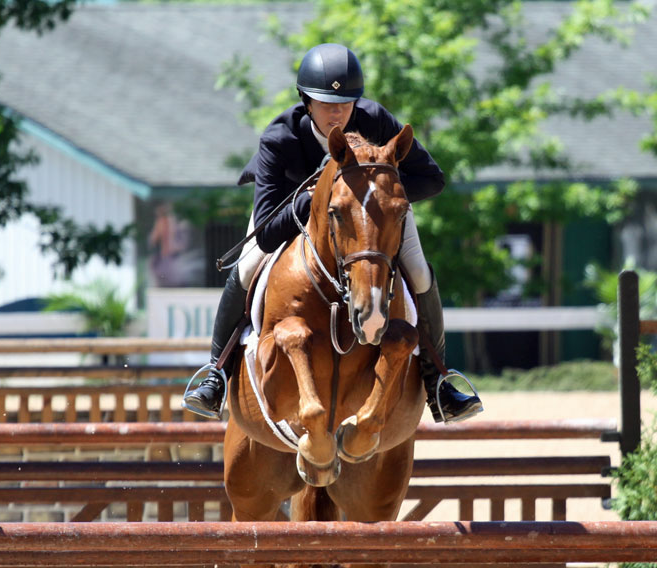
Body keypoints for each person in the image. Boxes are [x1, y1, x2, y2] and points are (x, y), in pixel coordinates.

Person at [183, 43, 483, 424]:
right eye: (326, 103)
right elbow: (268, 232)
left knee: (419, 272)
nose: (338, 112)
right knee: (246, 267)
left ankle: (437, 379)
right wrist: (319, 198)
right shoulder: (280, 139)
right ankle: (217, 374)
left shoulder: (376, 120)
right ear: (306, 102)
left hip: (370, 217)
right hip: (287, 210)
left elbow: (432, 179)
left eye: (345, 102)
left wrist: (377, 198)